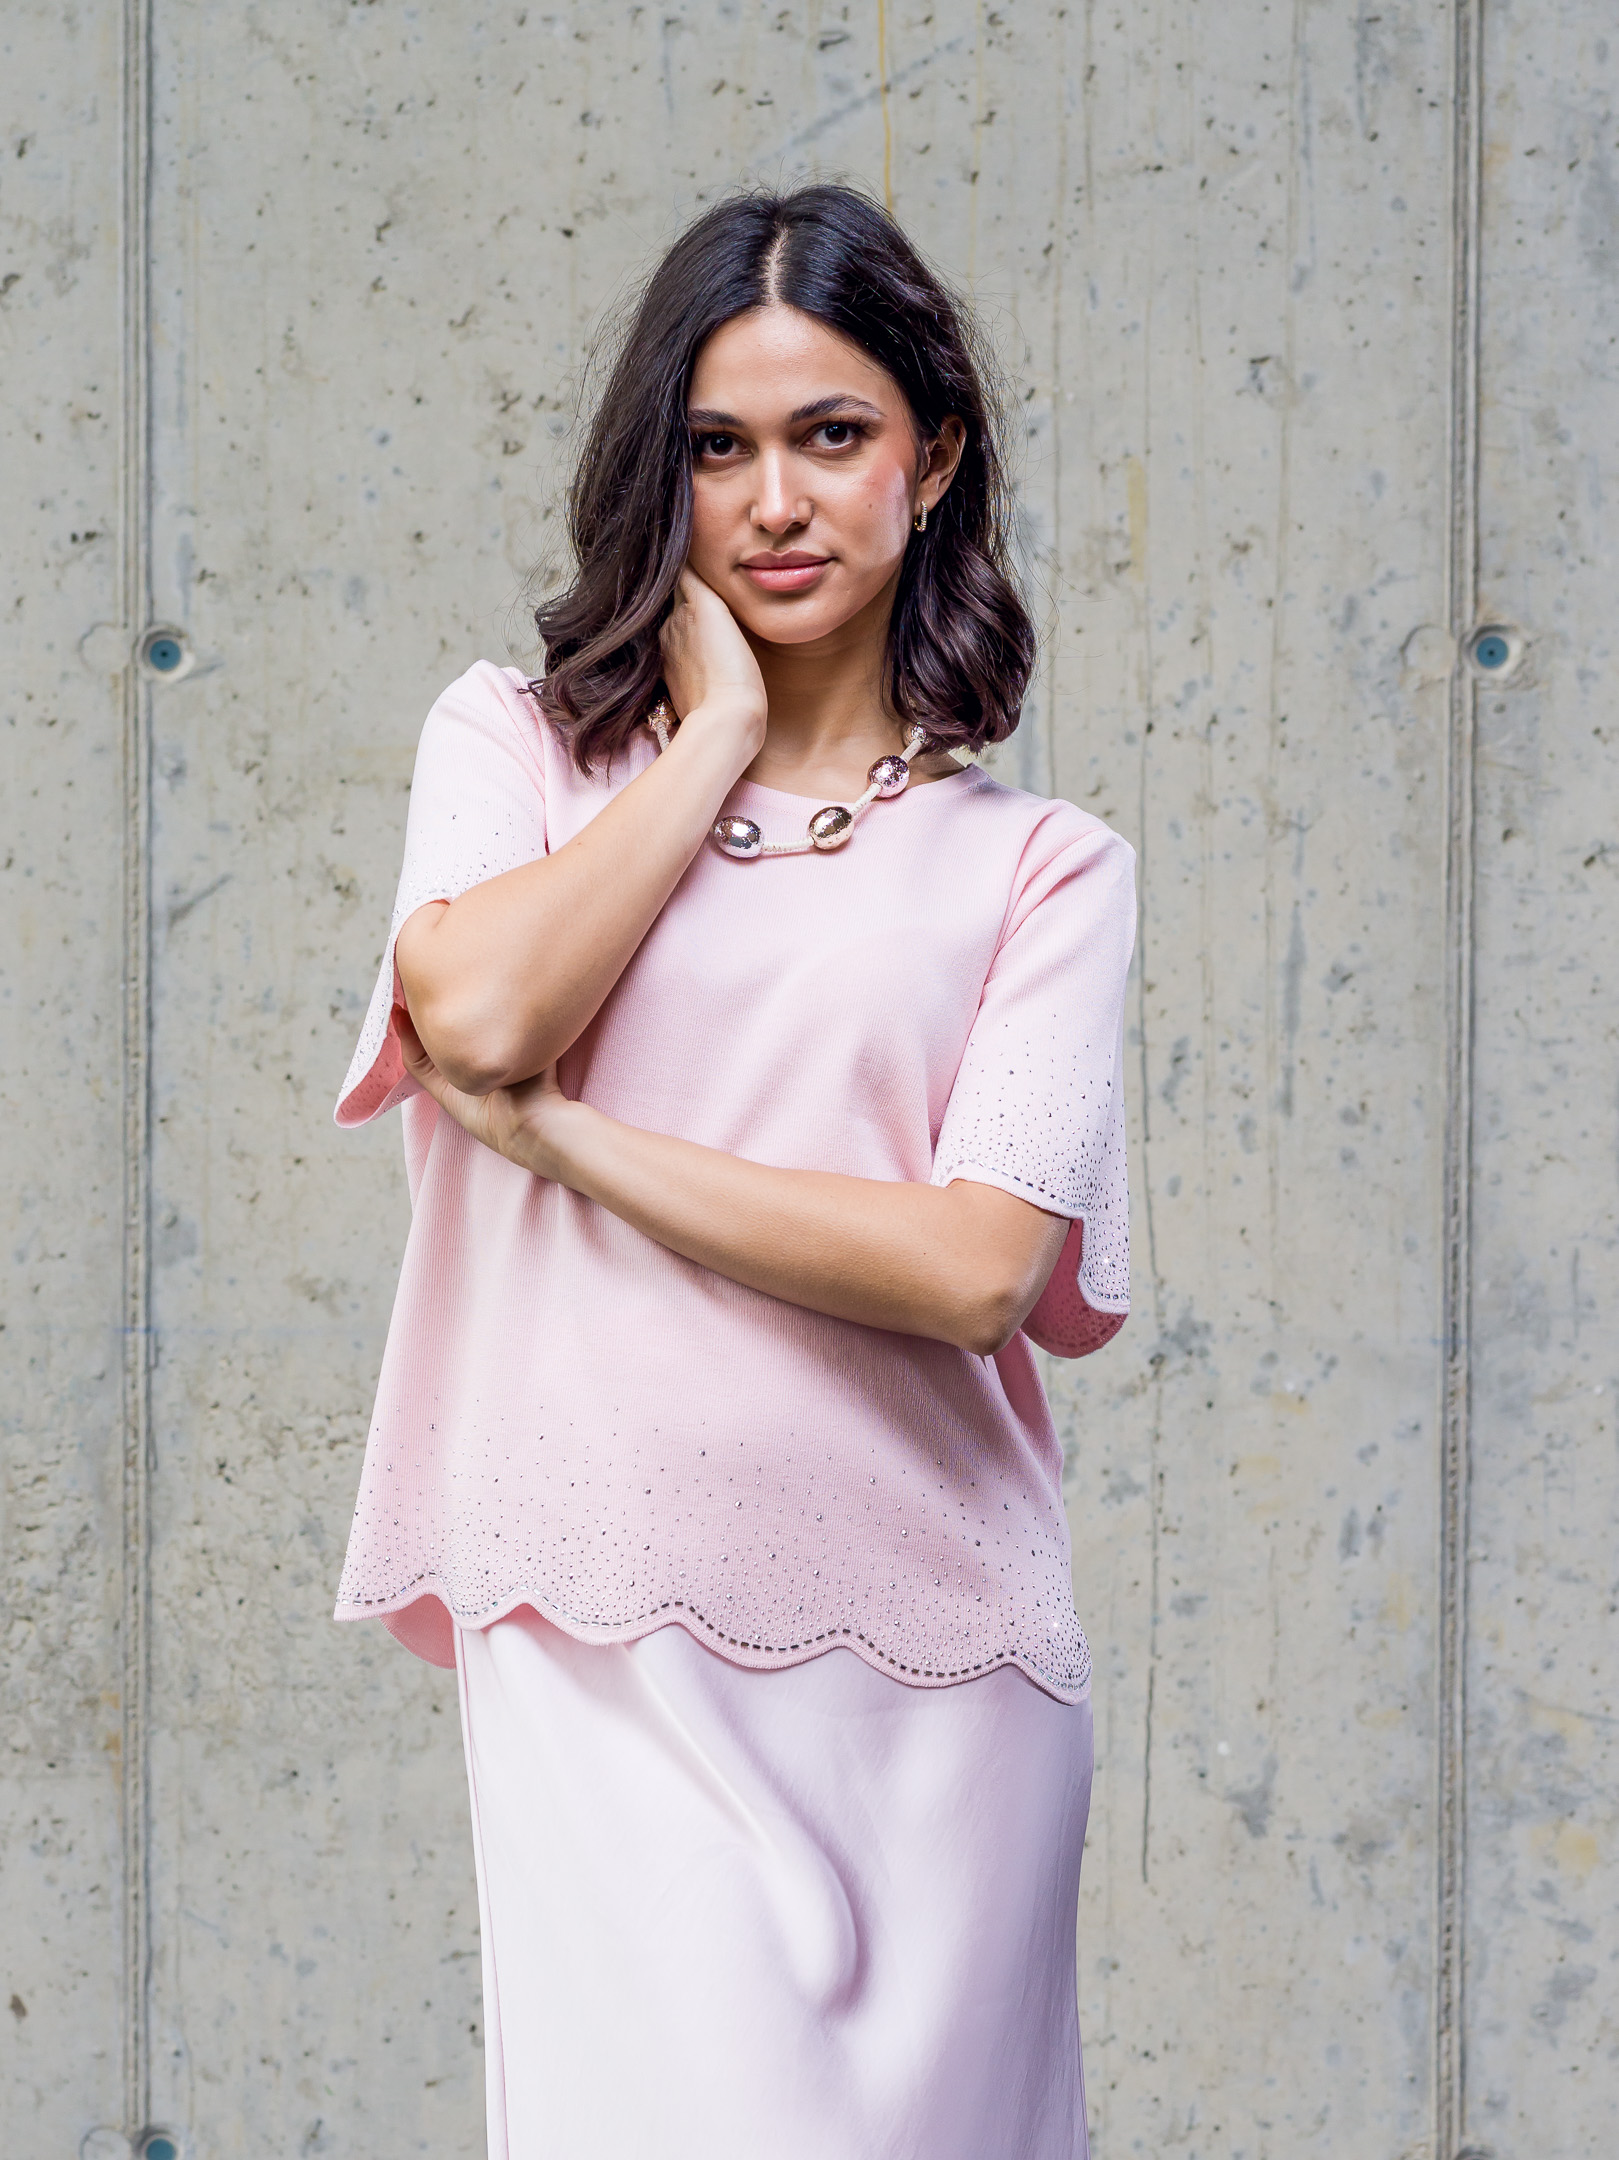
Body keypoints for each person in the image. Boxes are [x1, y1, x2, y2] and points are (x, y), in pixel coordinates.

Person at [334, 183, 1135, 2160]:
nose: (774, 500)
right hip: (604, 1627)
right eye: (717, 448)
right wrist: (714, 746)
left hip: (944, 1665)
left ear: (930, 461)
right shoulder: (515, 752)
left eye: (832, 435)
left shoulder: (1043, 868)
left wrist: (576, 1147)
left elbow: (974, 1270)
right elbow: (481, 1015)